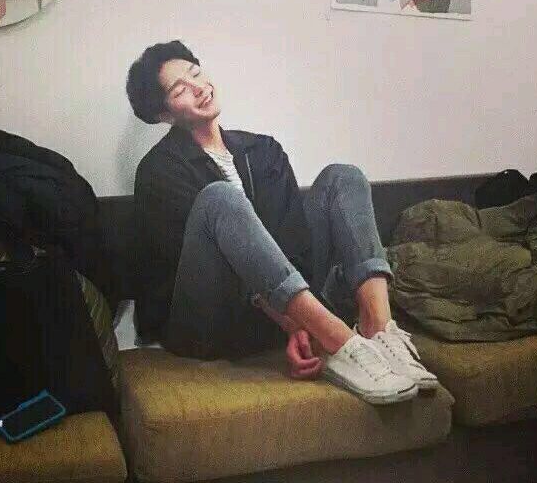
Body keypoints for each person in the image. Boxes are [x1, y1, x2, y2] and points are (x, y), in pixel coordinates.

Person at [126, 40, 438, 405]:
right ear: (164, 114)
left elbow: (293, 243)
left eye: (195, 73)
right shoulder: (159, 171)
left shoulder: (263, 151)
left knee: (344, 177)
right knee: (220, 198)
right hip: (208, 320)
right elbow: (200, 267)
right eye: (180, 89)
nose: (197, 87)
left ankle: (381, 332)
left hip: (279, 308)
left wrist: (294, 319)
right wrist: (296, 324)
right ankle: (340, 343)